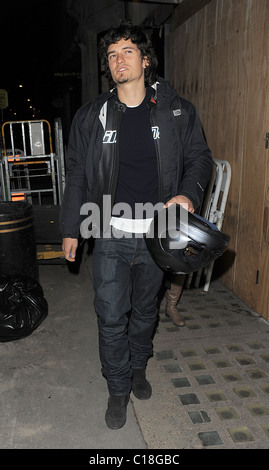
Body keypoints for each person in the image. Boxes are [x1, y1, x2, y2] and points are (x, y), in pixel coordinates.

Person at [60, 20, 212, 430]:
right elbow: (76, 172)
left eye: (127, 51)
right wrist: (71, 227)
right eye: (112, 55)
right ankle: (117, 387)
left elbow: (200, 159)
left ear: (145, 60)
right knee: (110, 314)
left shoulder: (177, 111)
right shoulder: (92, 117)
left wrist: (187, 194)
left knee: (145, 311)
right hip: (108, 231)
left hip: (157, 235)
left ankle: (138, 366)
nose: (118, 60)